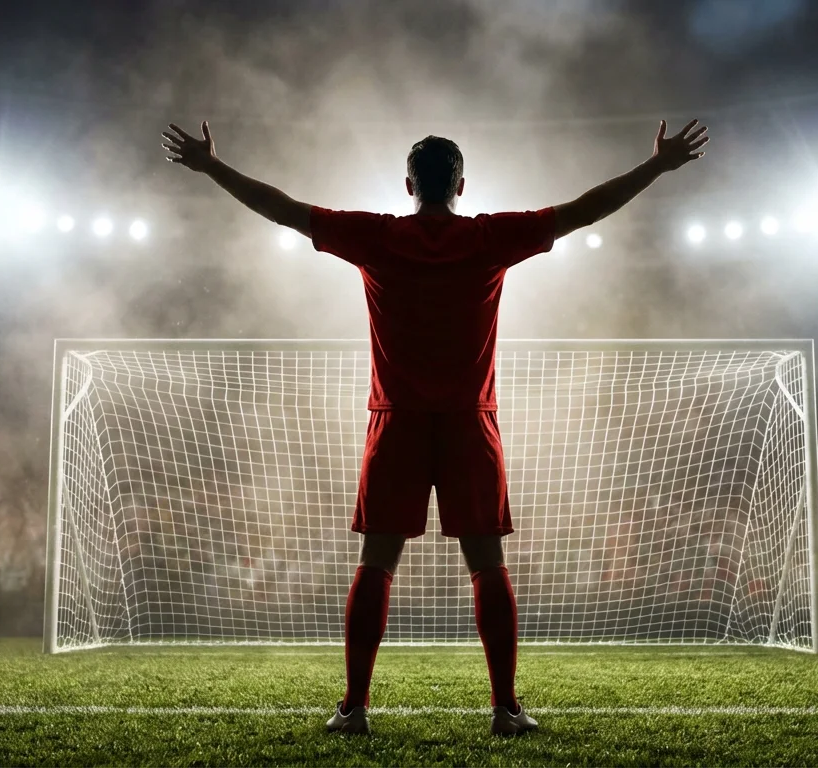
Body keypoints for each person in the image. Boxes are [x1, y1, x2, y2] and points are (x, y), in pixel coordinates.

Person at [162, 117, 709, 736]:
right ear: (462, 185)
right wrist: (656, 167)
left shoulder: (375, 237)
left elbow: (283, 209)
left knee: (376, 563)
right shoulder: (490, 238)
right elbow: (585, 210)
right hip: (469, 424)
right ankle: (504, 708)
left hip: (395, 423)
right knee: (486, 564)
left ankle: (355, 709)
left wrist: (212, 167)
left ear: (407, 185)